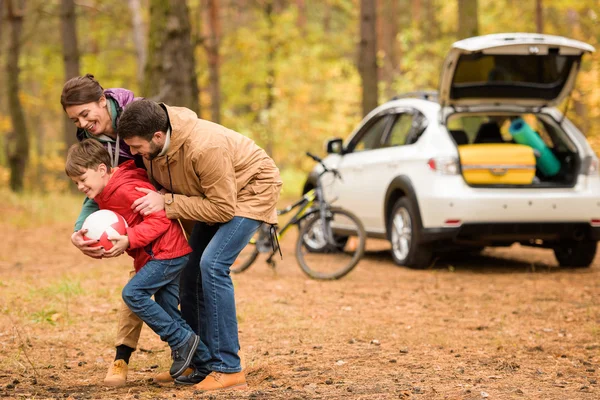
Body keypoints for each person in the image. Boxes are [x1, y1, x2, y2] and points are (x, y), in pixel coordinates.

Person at [116, 100, 282, 391]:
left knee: (213, 265)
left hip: (250, 191)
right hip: (207, 196)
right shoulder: (155, 147)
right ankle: (200, 361)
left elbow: (223, 209)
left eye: (137, 146)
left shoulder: (205, 147)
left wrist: (167, 202)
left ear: (157, 136)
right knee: (189, 272)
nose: (133, 154)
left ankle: (229, 367)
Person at [61, 75, 185, 386]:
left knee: (141, 292)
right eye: (75, 119)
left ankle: (192, 353)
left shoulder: (139, 116)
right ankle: (154, 357)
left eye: (86, 114)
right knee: (151, 293)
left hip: (171, 213)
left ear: (103, 100)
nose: (83, 123)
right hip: (146, 230)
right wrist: (80, 231)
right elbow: (97, 192)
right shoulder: (93, 145)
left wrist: (165, 202)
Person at [64, 139, 202, 382]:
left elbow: (161, 220)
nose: (80, 187)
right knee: (167, 307)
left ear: (101, 170)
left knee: (133, 294)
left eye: (83, 180)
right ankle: (201, 362)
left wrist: (129, 239)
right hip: (159, 255)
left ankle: (182, 340)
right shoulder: (106, 192)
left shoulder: (126, 188)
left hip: (168, 253)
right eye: (75, 182)